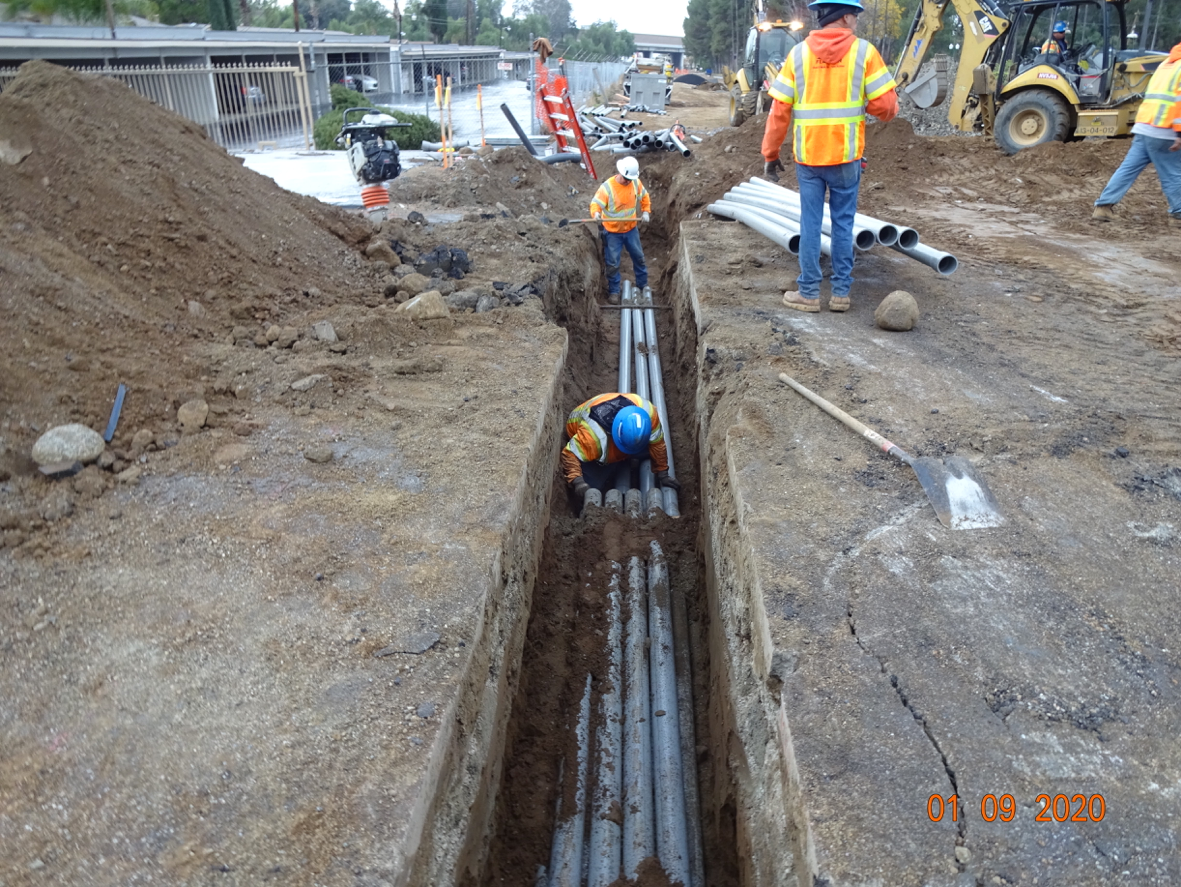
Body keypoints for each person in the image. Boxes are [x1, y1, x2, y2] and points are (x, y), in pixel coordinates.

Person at [761, 0, 898, 313]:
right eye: (856, 16)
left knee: (810, 224)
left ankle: (808, 292)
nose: (858, 22)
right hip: (846, 156)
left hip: (809, 158)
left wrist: (770, 153)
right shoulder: (864, 53)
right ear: (846, 16)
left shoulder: (798, 55)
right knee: (842, 224)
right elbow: (887, 108)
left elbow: (779, 111)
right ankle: (840, 294)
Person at [1092, 40, 1181, 228]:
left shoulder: (1166, 63)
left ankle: (1103, 206)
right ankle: (1179, 212)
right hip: (1164, 129)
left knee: (1128, 169)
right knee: (1173, 172)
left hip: (1144, 125)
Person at [560, 392, 679, 502]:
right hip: (584, 431)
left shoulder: (649, 416)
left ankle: (622, 461)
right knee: (591, 490)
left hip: (621, 427)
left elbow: (657, 445)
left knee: (651, 450)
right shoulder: (593, 438)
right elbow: (570, 454)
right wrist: (577, 481)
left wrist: (662, 472)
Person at [590, 157, 651, 304]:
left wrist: (646, 212)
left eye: (630, 179)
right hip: (612, 232)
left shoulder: (635, 183)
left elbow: (645, 197)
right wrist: (596, 214)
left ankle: (642, 286)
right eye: (626, 179)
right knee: (613, 262)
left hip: (630, 229)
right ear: (620, 173)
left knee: (639, 258)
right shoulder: (607, 187)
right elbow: (595, 204)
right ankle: (614, 291)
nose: (628, 182)